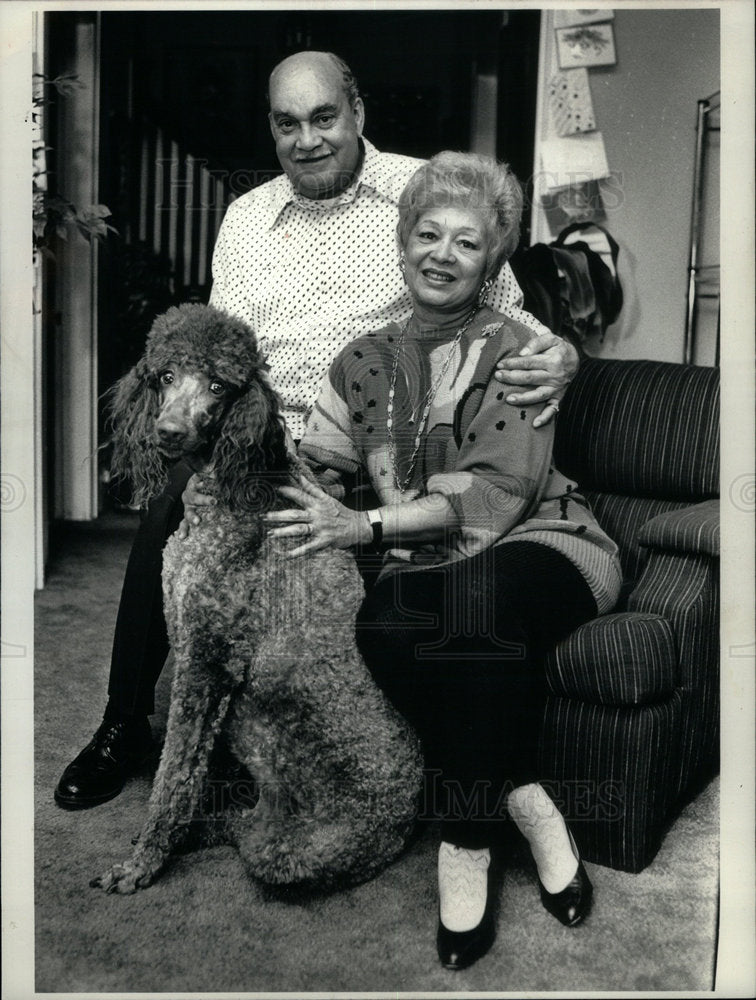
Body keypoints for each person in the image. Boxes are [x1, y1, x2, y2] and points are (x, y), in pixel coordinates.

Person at [55, 51, 580, 809]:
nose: (308, 140)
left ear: (357, 113)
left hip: (378, 442)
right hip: (260, 433)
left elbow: (511, 318)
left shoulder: (423, 196)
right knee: (173, 507)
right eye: (287, 123)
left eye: (324, 118)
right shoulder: (246, 217)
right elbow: (218, 346)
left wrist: (561, 354)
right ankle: (124, 722)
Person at [265, 151, 622, 969]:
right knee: (388, 619)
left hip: (546, 544)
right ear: (401, 242)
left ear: (492, 261)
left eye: (468, 243)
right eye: (429, 234)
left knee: (470, 602)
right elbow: (315, 467)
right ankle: (528, 798)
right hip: (423, 567)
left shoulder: (523, 348)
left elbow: (496, 496)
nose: (443, 254)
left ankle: (465, 844)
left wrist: (365, 528)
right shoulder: (360, 358)